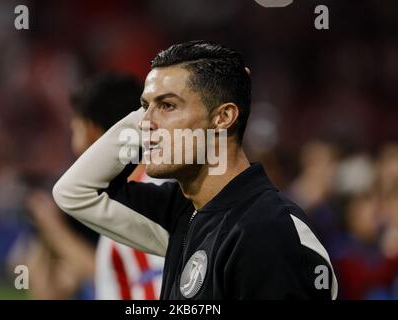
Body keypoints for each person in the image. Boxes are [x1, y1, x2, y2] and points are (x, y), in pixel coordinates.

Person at [53, 40, 338, 299]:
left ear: (224, 117)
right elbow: (74, 191)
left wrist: (227, 89)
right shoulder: (185, 211)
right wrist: (153, 114)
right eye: (144, 107)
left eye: (167, 105)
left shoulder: (268, 231)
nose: (144, 123)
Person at [9, 73, 164, 300]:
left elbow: (108, 274)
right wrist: (45, 232)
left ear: (90, 129)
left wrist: (52, 227)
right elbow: (46, 291)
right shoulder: (140, 185)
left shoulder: (141, 191)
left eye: (75, 127)